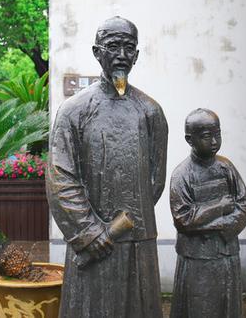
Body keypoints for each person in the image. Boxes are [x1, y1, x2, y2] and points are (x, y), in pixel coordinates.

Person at [48, 16, 168, 318]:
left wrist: (130, 213)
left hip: (138, 239)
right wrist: (90, 231)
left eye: (130, 48)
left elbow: (155, 180)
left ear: (137, 56)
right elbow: (60, 176)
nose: (122, 55)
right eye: (113, 46)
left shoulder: (150, 111)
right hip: (94, 241)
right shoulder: (74, 110)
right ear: (96, 51)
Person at [169, 109, 246, 318]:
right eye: (207, 136)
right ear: (190, 139)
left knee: (228, 308)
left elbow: (245, 204)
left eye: (218, 134)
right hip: (196, 257)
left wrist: (222, 226)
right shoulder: (182, 175)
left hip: (226, 253)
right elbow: (183, 220)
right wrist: (220, 207)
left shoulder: (226, 168)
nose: (215, 141)